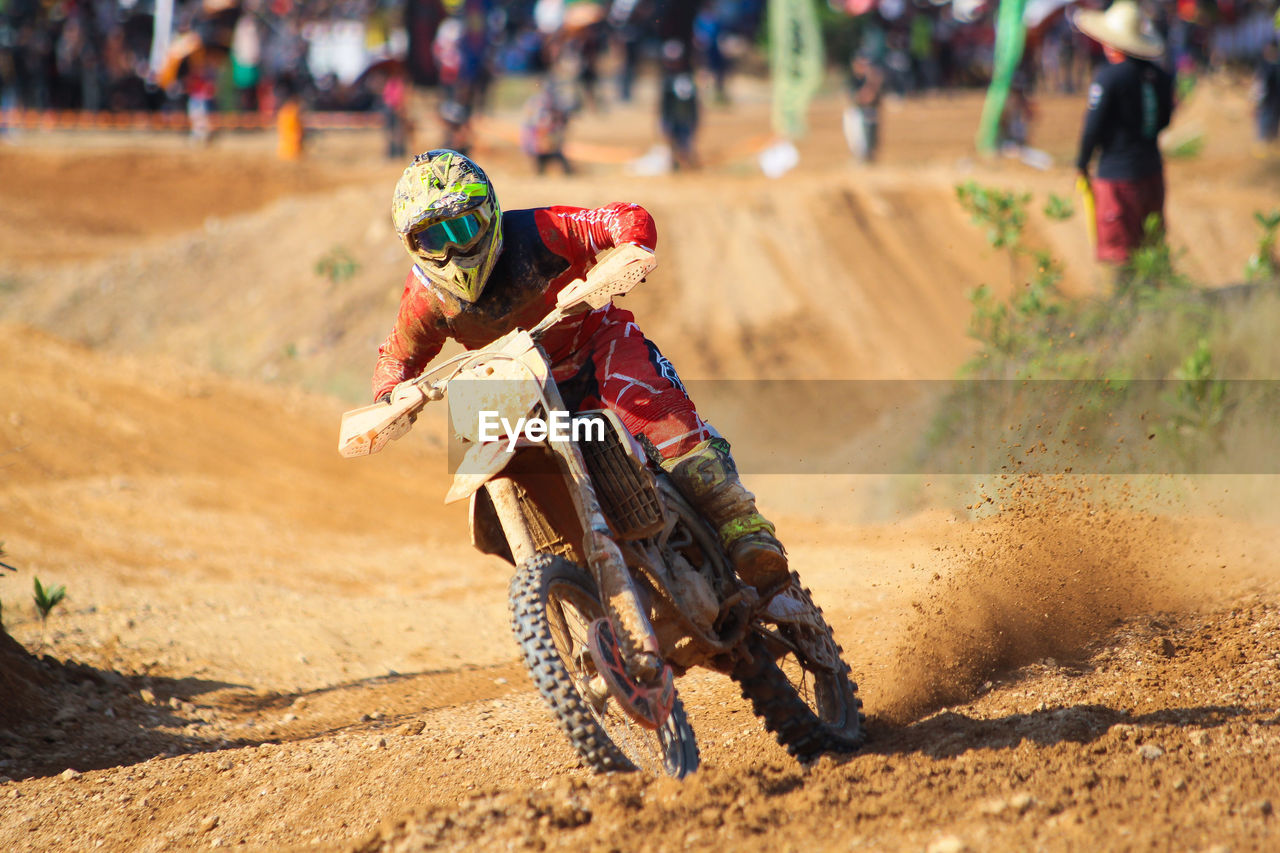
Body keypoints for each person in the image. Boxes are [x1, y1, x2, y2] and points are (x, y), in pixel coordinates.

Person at [370, 150, 790, 598]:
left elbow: (622, 218)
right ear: (414, 248)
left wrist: (626, 251)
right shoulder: (426, 296)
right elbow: (396, 359)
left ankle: (744, 528)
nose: (453, 249)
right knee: (485, 452)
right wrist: (392, 397)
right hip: (517, 383)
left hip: (596, 346)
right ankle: (561, 567)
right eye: (434, 239)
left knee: (653, 412)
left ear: (489, 212)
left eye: (462, 227)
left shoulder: (541, 231)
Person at [1073, 0, 1174, 265]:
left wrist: (1081, 163)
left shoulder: (1109, 78)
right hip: (1152, 171)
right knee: (1151, 250)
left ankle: (1124, 306)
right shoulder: (1161, 77)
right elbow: (1164, 121)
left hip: (1117, 178)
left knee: (1119, 256)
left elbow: (1092, 128)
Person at [843, 54, 885, 163]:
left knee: (870, 133)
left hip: (869, 111)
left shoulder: (871, 78)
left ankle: (869, 155)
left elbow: (873, 97)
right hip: (858, 112)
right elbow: (855, 97)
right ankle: (861, 156)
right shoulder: (854, 79)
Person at [1253, 40, 1280, 147]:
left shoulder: (1273, 65)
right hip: (1268, 98)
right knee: (1265, 117)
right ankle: (1263, 141)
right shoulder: (1264, 65)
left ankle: (1269, 140)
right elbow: (1260, 83)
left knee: (1271, 118)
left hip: (1275, 98)